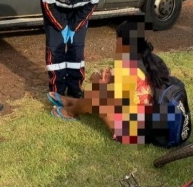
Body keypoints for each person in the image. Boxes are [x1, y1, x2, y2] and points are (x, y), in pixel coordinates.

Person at [48, 17, 173, 145]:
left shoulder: (126, 69)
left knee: (95, 95)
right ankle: (71, 102)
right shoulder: (150, 59)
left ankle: (70, 111)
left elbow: (111, 100)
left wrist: (96, 79)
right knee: (99, 95)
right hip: (147, 122)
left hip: (132, 133)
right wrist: (110, 80)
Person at [41, 0, 103, 99]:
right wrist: (61, 26)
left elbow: (91, 4)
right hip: (56, 11)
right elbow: (47, 5)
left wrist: (75, 25)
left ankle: (75, 87)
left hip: (79, 13)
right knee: (56, 50)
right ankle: (58, 90)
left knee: (77, 49)